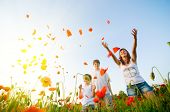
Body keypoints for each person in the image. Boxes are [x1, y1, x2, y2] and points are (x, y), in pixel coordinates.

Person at [102, 28, 154, 98]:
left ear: (127, 53)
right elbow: (113, 56)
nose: (122, 52)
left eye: (124, 51)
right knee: (134, 106)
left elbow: (134, 49)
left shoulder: (133, 60)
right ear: (120, 55)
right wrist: (107, 48)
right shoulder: (120, 64)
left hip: (141, 83)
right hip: (130, 87)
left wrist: (135, 38)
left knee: (154, 101)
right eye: (121, 52)